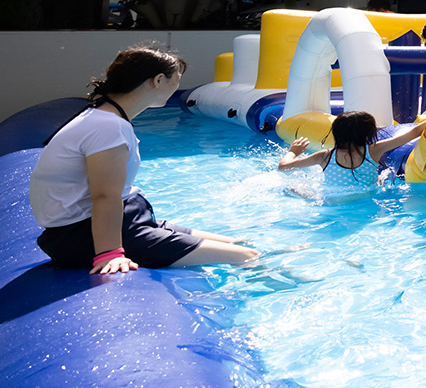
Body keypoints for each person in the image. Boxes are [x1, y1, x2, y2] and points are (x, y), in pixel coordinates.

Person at [29, 46, 259, 274]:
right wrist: (110, 253)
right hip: (82, 235)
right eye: (177, 79)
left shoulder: (103, 116)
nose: (177, 86)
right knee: (246, 256)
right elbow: (105, 196)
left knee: (238, 244)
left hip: (120, 220)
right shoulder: (108, 126)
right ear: (158, 80)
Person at [277, 111, 426, 201]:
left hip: (333, 202)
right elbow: (415, 132)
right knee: (381, 178)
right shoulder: (374, 150)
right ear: (368, 135)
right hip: (367, 198)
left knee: (296, 189)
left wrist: (293, 151)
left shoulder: (324, 156)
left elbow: (283, 167)